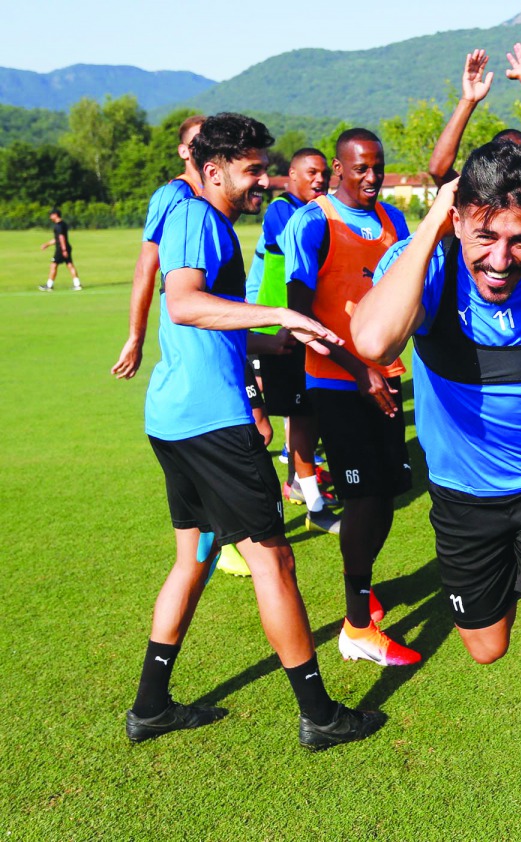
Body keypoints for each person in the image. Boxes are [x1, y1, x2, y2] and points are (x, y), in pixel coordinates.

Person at [352, 140, 521, 841]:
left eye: (519, 239)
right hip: (465, 499)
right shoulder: (427, 268)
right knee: (488, 648)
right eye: (484, 234)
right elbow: (373, 340)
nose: (500, 259)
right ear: (460, 216)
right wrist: (434, 226)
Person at [127, 112, 383, 750]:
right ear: (212, 171)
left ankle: (151, 706)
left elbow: (216, 325)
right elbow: (183, 302)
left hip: (176, 419)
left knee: (196, 557)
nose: (262, 180)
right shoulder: (195, 217)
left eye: (263, 167)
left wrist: (280, 335)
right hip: (211, 425)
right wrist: (277, 309)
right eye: (252, 170)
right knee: (274, 559)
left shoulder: (209, 221)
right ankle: (320, 717)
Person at [282, 128, 420, 667]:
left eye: (378, 166)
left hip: (385, 377)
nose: (371, 177)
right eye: (359, 168)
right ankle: (357, 627)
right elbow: (299, 313)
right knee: (363, 499)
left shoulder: (393, 222)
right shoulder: (313, 221)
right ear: (338, 170)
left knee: (384, 497)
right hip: (338, 382)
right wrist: (359, 370)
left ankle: (360, 591)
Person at [246, 147, 341, 535]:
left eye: (324, 174)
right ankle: (304, 502)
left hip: (306, 327)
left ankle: (304, 488)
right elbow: (303, 245)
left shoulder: (320, 209)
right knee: (294, 419)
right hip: (279, 333)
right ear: (292, 176)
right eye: (311, 173)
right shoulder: (283, 210)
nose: (320, 180)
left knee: (309, 415)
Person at [429, 45, 521, 229]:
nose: (513, 157)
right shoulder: (478, 193)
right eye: (503, 150)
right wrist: (469, 101)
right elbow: (439, 170)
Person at [113, 115, 205, 379]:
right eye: (196, 142)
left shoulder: (216, 194)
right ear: (183, 151)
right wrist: (135, 338)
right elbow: (146, 267)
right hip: (191, 329)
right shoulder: (174, 194)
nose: (204, 146)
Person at [38, 208, 82, 291]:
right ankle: (77, 284)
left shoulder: (58, 226)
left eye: (51, 215)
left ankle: (49, 285)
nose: (50, 217)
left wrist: (63, 250)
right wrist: (47, 244)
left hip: (61, 249)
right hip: (66, 247)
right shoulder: (63, 224)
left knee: (53, 265)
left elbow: (61, 238)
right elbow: (57, 239)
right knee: (69, 265)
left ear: (55, 215)